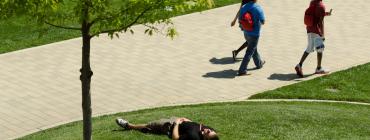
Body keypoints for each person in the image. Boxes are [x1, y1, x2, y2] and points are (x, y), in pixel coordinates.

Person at [295, 0, 332, 78]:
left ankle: (299, 65)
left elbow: (315, 14)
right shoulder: (321, 6)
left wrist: (325, 13)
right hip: (316, 31)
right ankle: (319, 68)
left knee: (309, 48)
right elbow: (321, 22)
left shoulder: (312, 2)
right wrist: (322, 35)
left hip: (309, 28)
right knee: (320, 48)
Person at [116, 117, 219, 140]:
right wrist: (188, 120)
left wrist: (177, 123)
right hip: (179, 121)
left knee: (150, 125)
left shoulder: (194, 137)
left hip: (170, 126)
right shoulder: (209, 130)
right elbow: (196, 125)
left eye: (208, 132)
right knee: (151, 127)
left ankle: (128, 125)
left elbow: (175, 138)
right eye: (210, 130)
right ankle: (146, 130)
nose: (208, 130)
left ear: (205, 139)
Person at [237, 0, 265, 76]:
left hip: (246, 33)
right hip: (254, 34)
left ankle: (259, 64)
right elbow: (263, 21)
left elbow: (239, 19)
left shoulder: (243, 7)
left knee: (253, 48)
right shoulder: (258, 8)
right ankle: (242, 70)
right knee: (250, 51)